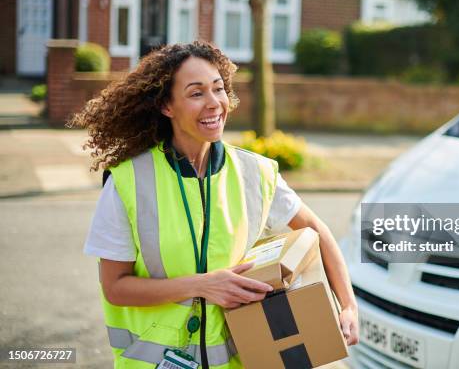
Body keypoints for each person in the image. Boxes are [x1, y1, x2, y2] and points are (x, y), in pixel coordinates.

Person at [72, 41, 358, 368]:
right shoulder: (128, 182)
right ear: (167, 105)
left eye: (218, 89)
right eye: (196, 94)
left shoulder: (257, 173)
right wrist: (203, 286)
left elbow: (316, 231)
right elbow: (116, 288)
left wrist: (348, 305)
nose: (214, 104)